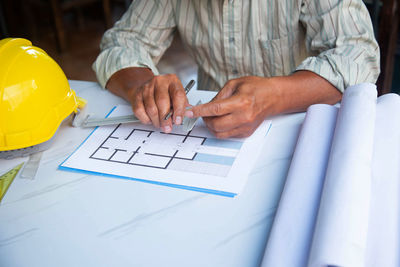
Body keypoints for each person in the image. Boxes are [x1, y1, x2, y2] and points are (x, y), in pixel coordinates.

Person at [93, 0, 379, 138]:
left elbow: (359, 55)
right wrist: (143, 86)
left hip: (295, 125)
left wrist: (275, 95)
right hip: (209, 132)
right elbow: (123, 42)